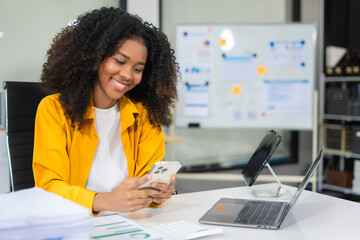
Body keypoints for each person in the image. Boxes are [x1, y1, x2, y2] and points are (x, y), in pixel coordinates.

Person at [32, 7, 179, 214]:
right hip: (76, 223)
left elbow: (148, 181)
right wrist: (104, 201)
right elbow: (48, 188)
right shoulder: (54, 110)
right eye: (119, 61)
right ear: (95, 57)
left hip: (131, 224)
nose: (127, 74)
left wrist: (158, 193)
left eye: (138, 69)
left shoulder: (144, 116)